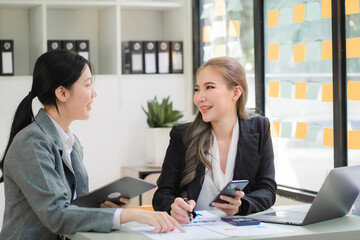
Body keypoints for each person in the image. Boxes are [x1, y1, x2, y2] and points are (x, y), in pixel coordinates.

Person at [0, 50, 184, 239]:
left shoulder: (71, 142)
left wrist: (102, 208)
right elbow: (57, 216)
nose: (94, 93)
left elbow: (74, 208)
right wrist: (129, 214)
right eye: (88, 85)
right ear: (62, 93)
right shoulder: (32, 142)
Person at [152, 56, 277, 223]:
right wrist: (172, 207)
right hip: (194, 233)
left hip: (238, 231)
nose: (199, 98)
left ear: (236, 92)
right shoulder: (182, 135)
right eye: (197, 89)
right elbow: (163, 194)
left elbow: (267, 189)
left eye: (209, 87)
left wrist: (241, 205)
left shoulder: (259, 128)